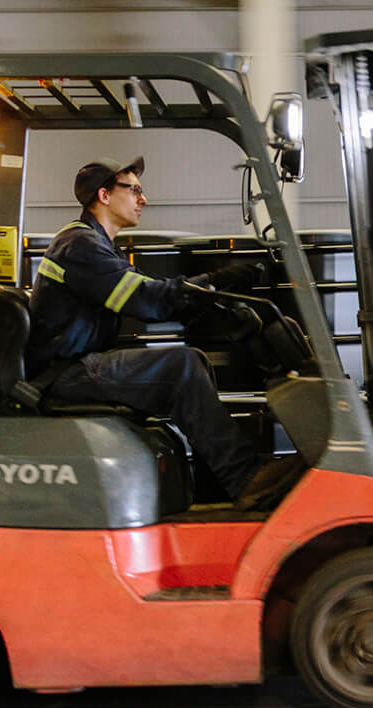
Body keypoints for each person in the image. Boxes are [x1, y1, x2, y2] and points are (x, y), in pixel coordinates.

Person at [25, 156, 302, 510]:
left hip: (75, 364)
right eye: (135, 189)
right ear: (104, 195)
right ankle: (244, 478)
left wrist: (206, 299)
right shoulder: (80, 246)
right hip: (63, 374)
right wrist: (215, 282)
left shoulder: (96, 244)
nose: (144, 198)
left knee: (194, 359)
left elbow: (153, 291)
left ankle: (219, 486)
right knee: (181, 366)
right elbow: (147, 300)